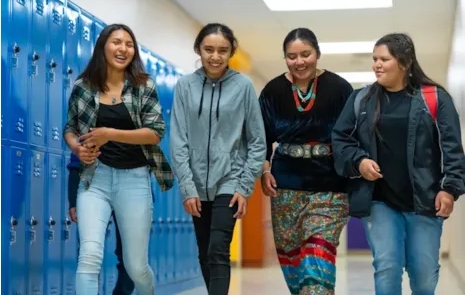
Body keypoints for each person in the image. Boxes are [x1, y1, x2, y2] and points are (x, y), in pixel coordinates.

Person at [331, 33, 465, 294]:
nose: (376, 65)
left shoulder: (434, 98)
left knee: (424, 275)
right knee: (387, 267)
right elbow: (340, 139)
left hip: (425, 201)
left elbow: (452, 149)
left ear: (404, 63)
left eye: (384, 59)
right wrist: (358, 162)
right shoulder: (362, 99)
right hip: (379, 202)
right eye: (374, 59)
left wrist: (449, 189)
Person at [63, 23, 173, 295]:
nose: (123, 48)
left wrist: (110, 134)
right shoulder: (83, 86)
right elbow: (70, 128)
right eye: (116, 42)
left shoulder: (143, 86)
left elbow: (155, 133)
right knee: (89, 257)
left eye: (129, 44)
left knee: (136, 267)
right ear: (103, 46)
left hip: (134, 181)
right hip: (94, 180)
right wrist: (77, 148)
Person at [170, 23, 266, 295]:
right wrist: (187, 187)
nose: (215, 56)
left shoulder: (243, 86)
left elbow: (257, 141)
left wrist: (243, 186)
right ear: (198, 50)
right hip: (196, 183)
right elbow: (178, 141)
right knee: (204, 251)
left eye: (223, 50)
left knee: (218, 249)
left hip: (230, 180)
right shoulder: (185, 86)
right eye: (208, 49)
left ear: (231, 51)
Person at [259, 28, 353, 295]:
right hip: (285, 186)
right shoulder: (273, 91)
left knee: (316, 259)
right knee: (294, 266)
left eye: (305, 54)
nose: (299, 61)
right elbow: (260, 137)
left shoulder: (340, 88)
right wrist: (264, 169)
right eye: (291, 56)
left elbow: (353, 136)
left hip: (330, 186)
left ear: (317, 54)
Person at [67, 153, 135, 295]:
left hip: (130, 192)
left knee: (130, 252)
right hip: (94, 190)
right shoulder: (87, 133)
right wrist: (73, 201)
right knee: (89, 251)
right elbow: (76, 166)